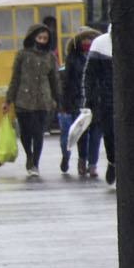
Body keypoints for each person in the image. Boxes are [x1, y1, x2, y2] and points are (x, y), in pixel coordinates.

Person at [82, 29, 134, 187]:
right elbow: (90, 76)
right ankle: (113, 161)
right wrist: (90, 100)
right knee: (110, 134)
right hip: (107, 99)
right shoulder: (100, 44)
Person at [3, 24, 61, 176]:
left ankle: (35, 162)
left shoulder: (50, 57)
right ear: (32, 37)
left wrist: (59, 101)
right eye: (39, 37)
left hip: (43, 101)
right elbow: (15, 78)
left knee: (38, 133)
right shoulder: (22, 55)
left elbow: (54, 80)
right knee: (25, 133)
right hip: (23, 100)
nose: (42, 41)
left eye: (45, 38)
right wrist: (8, 100)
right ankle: (29, 155)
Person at [58, 28, 99, 177]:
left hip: (97, 101)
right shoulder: (73, 58)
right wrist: (64, 104)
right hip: (79, 101)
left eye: (90, 38)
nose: (87, 42)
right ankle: (82, 160)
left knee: (96, 133)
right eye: (84, 39)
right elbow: (67, 82)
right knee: (82, 132)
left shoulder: (100, 57)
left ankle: (93, 164)